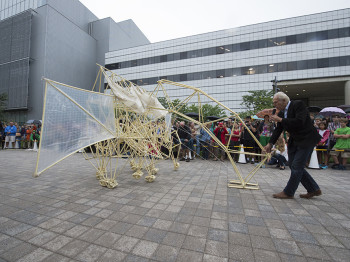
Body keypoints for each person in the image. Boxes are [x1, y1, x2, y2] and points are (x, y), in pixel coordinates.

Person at [264, 92, 322, 199]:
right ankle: (313, 189)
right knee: (293, 165)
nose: (275, 105)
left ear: (284, 101)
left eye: (276, 102)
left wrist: (280, 120)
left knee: (297, 166)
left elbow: (300, 121)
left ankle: (289, 192)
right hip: (295, 140)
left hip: (306, 139)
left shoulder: (298, 105)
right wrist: (270, 143)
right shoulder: (281, 113)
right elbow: (278, 130)